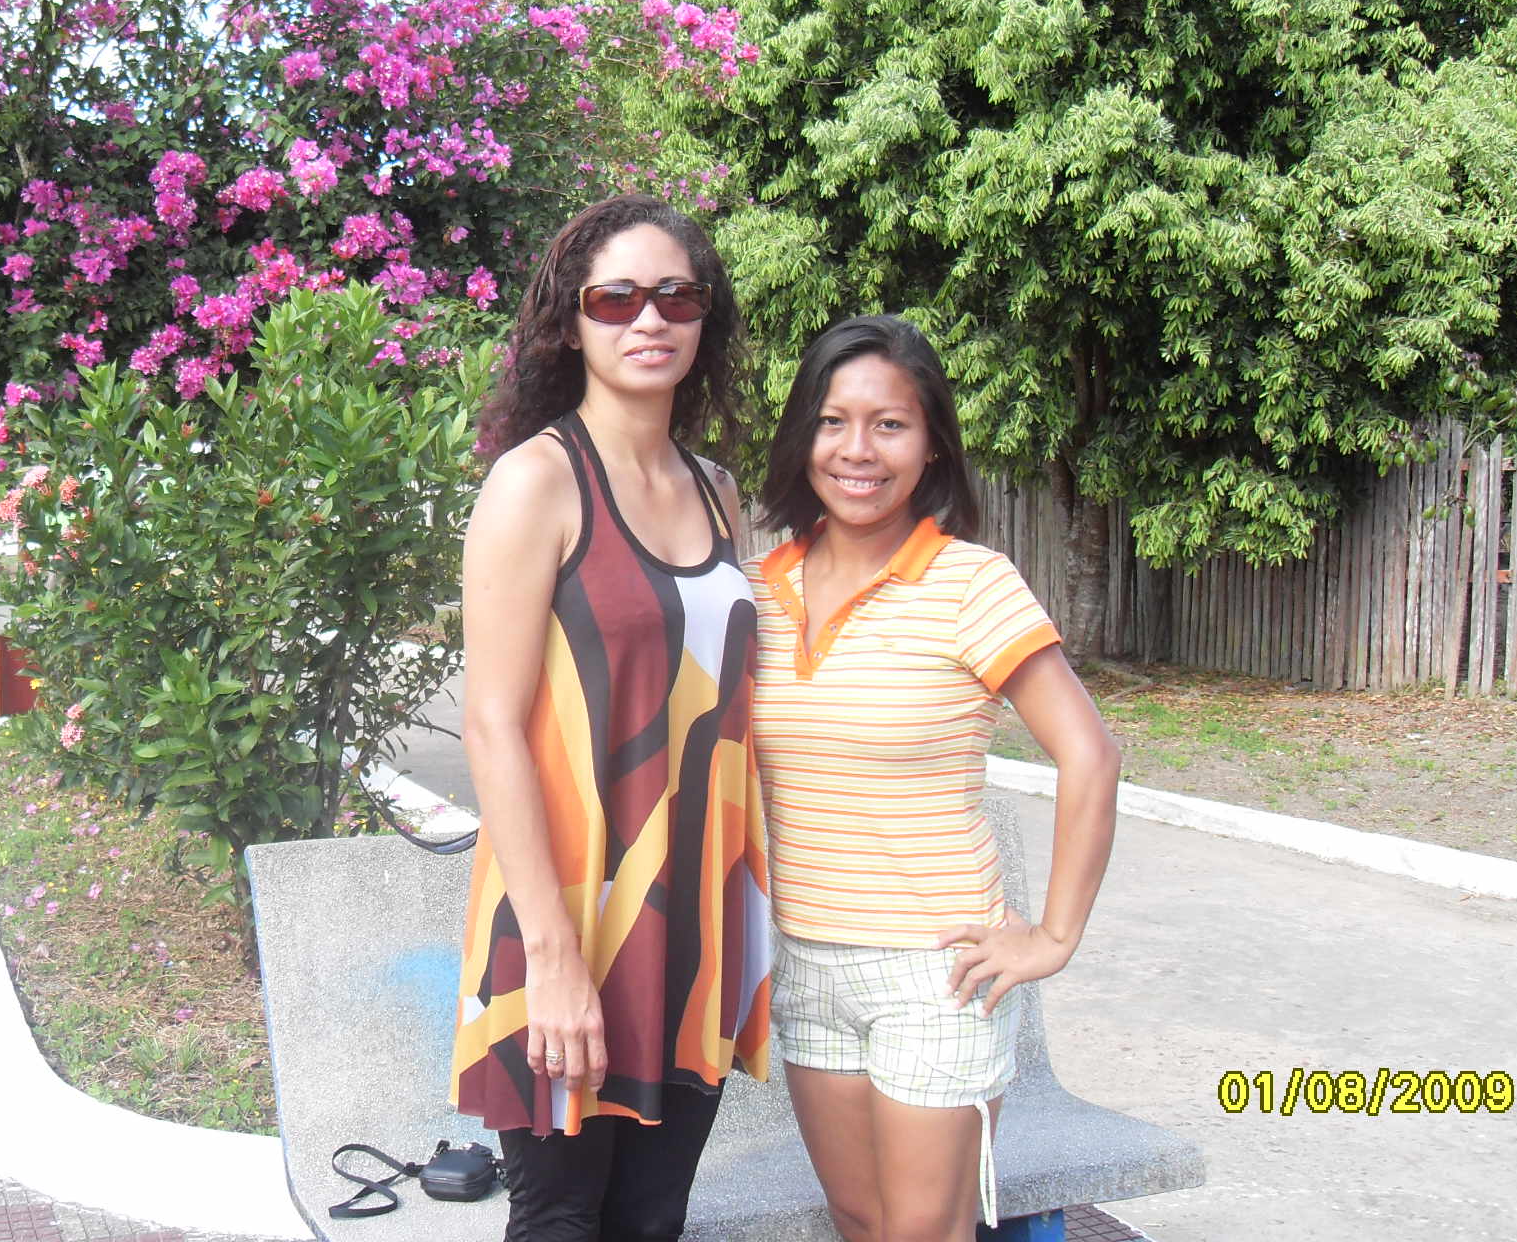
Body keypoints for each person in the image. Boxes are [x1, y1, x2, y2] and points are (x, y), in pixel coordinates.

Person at [751, 316, 1121, 1242]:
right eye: (833, 422)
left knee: (923, 1231)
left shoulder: (972, 584)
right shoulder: (757, 589)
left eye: (890, 425)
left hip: (935, 971)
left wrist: (1053, 935)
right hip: (804, 960)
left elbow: (1091, 753)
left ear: (931, 448)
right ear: (802, 438)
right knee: (859, 1219)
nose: (858, 450)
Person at [451, 193, 771, 1242]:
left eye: (677, 295)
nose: (649, 319)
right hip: (568, 911)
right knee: (559, 1217)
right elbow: (491, 725)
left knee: (652, 1217)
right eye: (616, 298)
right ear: (570, 321)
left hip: (692, 912)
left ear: (705, 316)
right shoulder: (534, 484)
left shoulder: (718, 493)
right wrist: (551, 954)